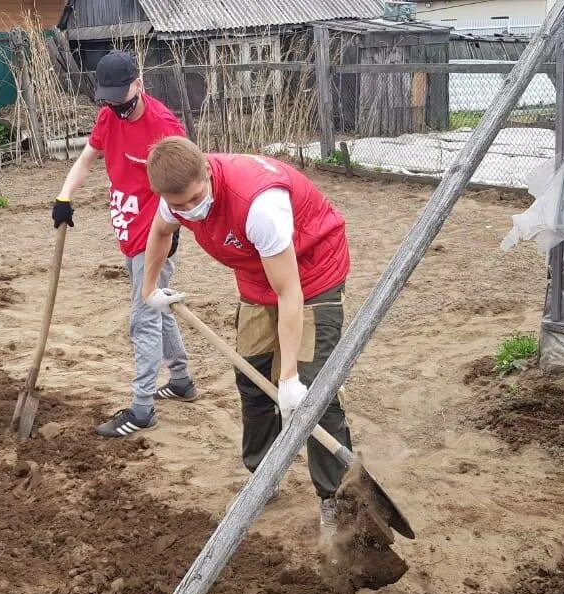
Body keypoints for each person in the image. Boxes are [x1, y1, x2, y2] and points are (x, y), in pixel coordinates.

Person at [139, 136, 353, 540]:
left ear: (208, 171)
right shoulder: (175, 197)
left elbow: (290, 293)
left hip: (312, 270)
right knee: (251, 379)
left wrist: (289, 379)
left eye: (195, 199)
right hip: (257, 279)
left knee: (312, 394)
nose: (189, 210)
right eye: (179, 204)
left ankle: (335, 498)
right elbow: (161, 231)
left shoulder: (260, 205)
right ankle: (263, 476)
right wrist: (149, 289)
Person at [54, 51, 198, 438]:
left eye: (123, 97)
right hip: (127, 228)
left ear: (139, 83)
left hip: (154, 237)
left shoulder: (163, 127)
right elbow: (86, 160)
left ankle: (141, 408)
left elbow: (188, 184)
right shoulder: (107, 116)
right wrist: (64, 197)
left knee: (143, 318)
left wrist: (170, 229)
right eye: (110, 99)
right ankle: (182, 380)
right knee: (159, 309)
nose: (117, 107)